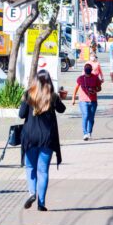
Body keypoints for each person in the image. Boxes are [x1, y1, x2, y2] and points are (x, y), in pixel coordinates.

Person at [18, 70, 66, 212]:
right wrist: (57, 96)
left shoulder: (28, 95)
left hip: (30, 137)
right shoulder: (53, 97)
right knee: (43, 170)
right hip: (47, 138)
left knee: (30, 167)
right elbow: (62, 110)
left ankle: (32, 193)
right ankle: (41, 203)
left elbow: (21, 115)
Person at [72, 63, 102, 140]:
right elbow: (76, 88)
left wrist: (94, 90)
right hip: (83, 101)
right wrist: (73, 98)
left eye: (89, 69)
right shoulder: (80, 78)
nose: (87, 70)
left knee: (91, 118)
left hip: (93, 101)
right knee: (85, 115)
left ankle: (89, 132)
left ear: (91, 70)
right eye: (86, 69)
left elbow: (99, 88)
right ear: (84, 70)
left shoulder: (95, 78)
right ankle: (85, 133)